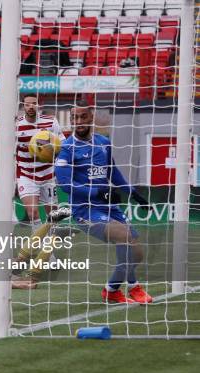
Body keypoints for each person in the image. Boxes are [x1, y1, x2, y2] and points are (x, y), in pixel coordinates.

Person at [54, 101, 153, 304]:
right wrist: (99, 191)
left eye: (82, 117)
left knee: (137, 252)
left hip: (109, 207)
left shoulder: (103, 142)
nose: (78, 122)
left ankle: (111, 290)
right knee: (124, 236)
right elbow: (66, 185)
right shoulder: (66, 148)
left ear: (91, 117)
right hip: (85, 211)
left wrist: (134, 194)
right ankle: (134, 287)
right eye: (74, 118)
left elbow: (113, 172)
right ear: (71, 120)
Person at [16, 94, 64, 234]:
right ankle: (41, 248)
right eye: (27, 104)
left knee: (53, 217)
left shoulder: (50, 122)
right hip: (26, 174)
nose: (31, 107)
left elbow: (62, 143)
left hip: (48, 175)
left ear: (39, 105)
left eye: (34, 103)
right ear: (23, 106)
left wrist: (51, 150)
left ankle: (49, 252)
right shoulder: (17, 125)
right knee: (32, 213)